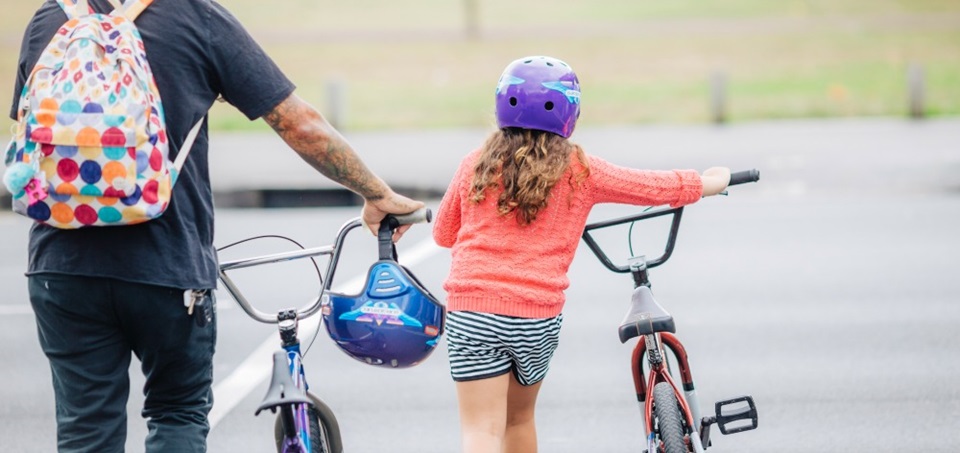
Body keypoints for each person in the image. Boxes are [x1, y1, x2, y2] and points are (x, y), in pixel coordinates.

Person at [10, 0, 423, 451]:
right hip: (167, 263)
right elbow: (300, 125)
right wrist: (376, 193)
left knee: (85, 430)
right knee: (176, 414)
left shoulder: (49, 20)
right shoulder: (194, 16)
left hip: (61, 265)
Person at [432, 55, 730, 453]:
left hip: (472, 312)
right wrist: (707, 182)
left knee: (482, 431)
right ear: (570, 113)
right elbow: (649, 186)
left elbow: (443, 233)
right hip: (535, 315)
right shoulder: (581, 170)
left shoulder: (475, 165)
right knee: (519, 419)